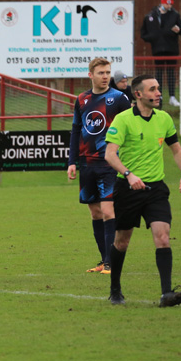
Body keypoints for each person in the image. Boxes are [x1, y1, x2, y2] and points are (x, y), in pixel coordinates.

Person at [104, 75, 181, 307]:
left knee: (163, 236)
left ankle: (166, 294)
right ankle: (115, 289)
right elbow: (110, 154)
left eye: (159, 89)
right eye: (153, 89)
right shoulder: (122, 120)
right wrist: (129, 174)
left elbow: (176, 150)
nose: (158, 93)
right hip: (128, 189)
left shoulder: (164, 119)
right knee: (122, 241)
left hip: (156, 189)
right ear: (138, 94)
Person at [67, 58, 131, 275]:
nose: (105, 76)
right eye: (101, 72)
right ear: (90, 75)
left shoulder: (119, 98)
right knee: (95, 213)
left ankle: (111, 263)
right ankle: (104, 260)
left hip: (109, 163)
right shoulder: (82, 99)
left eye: (108, 72)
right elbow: (76, 130)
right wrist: (72, 162)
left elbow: (130, 126)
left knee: (107, 210)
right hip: (87, 164)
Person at [140, 0, 181, 107]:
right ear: (162, 2)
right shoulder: (151, 15)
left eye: (171, 3)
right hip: (158, 49)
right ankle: (159, 95)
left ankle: (172, 97)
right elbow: (144, 33)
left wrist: (178, 30)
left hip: (171, 48)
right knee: (158, 73)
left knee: (171, 72)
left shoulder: (175, 15)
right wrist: (152, 37)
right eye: (167, 3)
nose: (169, 5)